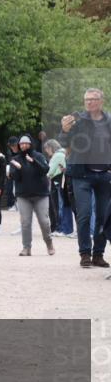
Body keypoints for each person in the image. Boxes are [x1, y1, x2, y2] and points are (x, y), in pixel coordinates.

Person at [59, 88, 111, 268]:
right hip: (82, 174)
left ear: (101, 101)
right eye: (86, 99)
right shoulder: (77, 120)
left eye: (93, 99)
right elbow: (64, 142)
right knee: (84, 214)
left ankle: (98, 254)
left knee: (103, 217)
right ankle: (85, 253)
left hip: (105, 175)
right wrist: (64, 130)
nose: (89, 102)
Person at [9, 136, 55, 257]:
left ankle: (49, 243)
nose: (23, 146)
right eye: (21, 144)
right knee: (25, 222)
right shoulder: (15, 159)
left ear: (31, 144)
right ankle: (26, 247)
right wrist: (17, 169)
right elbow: (14, 177)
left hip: (41, 194)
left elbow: (45, 169)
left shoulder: (38, 156)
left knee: (44, 221)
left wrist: (33, 162)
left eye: (26, 143)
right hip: (23, 195)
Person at [44, 139, 74, 238]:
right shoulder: (63, 153)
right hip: (63, 181)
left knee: (60, 206)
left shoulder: (57, 155)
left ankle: (62, 228)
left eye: (47, 149)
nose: (47, 152)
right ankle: (66, 229)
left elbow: (50, 170)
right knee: (65, 205)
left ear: (50, 147)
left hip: (57, 182)